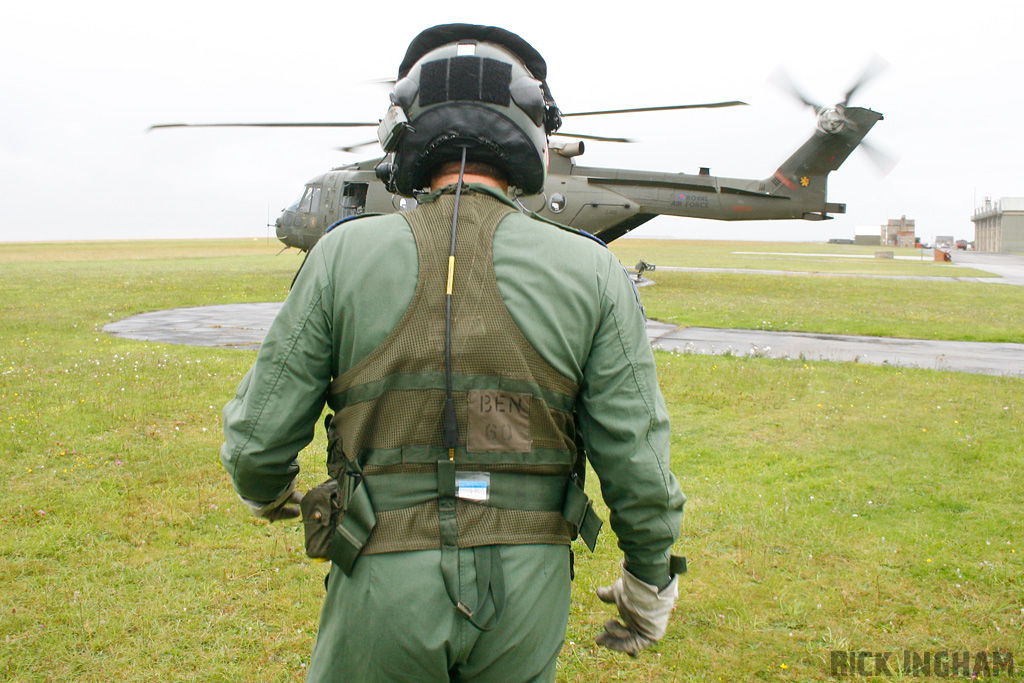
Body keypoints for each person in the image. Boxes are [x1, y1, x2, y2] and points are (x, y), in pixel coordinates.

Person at [220, 23, 685, 683]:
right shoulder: (595, 271)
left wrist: (268, 491)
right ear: (531, 134)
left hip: (381, 573)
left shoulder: (341, 256)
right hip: (528, 590)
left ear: (402, 132)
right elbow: (637, 458)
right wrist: (649, 579)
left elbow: (256, 441)